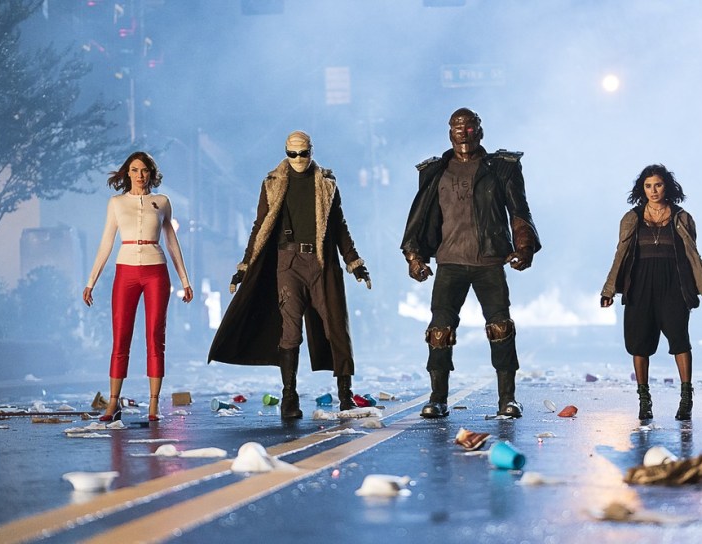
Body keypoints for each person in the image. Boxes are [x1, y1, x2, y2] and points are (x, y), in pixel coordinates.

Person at [208, 131, 371, 419]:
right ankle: (289, 396)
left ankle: (345, 395)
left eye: (302, 153)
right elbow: (260, 227)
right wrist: (244, 267)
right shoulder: (272, 183)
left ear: (311, 151)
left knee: (336, 326)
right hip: (288, 262)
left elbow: (339, 226)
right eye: (292, 153)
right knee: (290, 330)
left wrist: (354, 262)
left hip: (321, 262)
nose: (297, 158)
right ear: (286, 152)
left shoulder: (327, 183)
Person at [401, 107, 541, 419]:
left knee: (501, 328)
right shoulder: (434, 171)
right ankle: (438, 398)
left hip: (488, 260)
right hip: (450, 261)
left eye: (469, 127)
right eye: (457, 128)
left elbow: (519, 210)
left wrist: (524, 246)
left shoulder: (501, 167)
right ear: (449, 133)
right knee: (439, 331)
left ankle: (508, 399)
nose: (463, 134)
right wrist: (415, 257)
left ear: (480, 131)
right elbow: (420, 218)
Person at [600, 164, 702, 421]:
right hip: (640, 284)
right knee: (639, 343)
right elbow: (621, 255)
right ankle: (644, 401)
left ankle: (686, 398)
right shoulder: (632, 218)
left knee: (680, 339)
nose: (653, 190)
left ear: (667, 186)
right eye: (648, 186)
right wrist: (609, 290)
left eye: (658, 185)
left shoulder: (682, 217)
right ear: (642, 189)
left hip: (673, 284)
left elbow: (692, 255)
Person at [83, 151, 193, 422]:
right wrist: (91, 282)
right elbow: (106, 242)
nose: (139, 175)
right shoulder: (116, 203)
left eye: (144, 170)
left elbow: (172, 242)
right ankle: (112, 403)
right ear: (127, 173)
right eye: (134, 170)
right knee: (121, 336)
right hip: (126, 270)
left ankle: (154, 404)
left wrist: (185, 281)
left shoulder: (162, 202)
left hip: (156, 271)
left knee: (155, 336)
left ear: (151, 173)